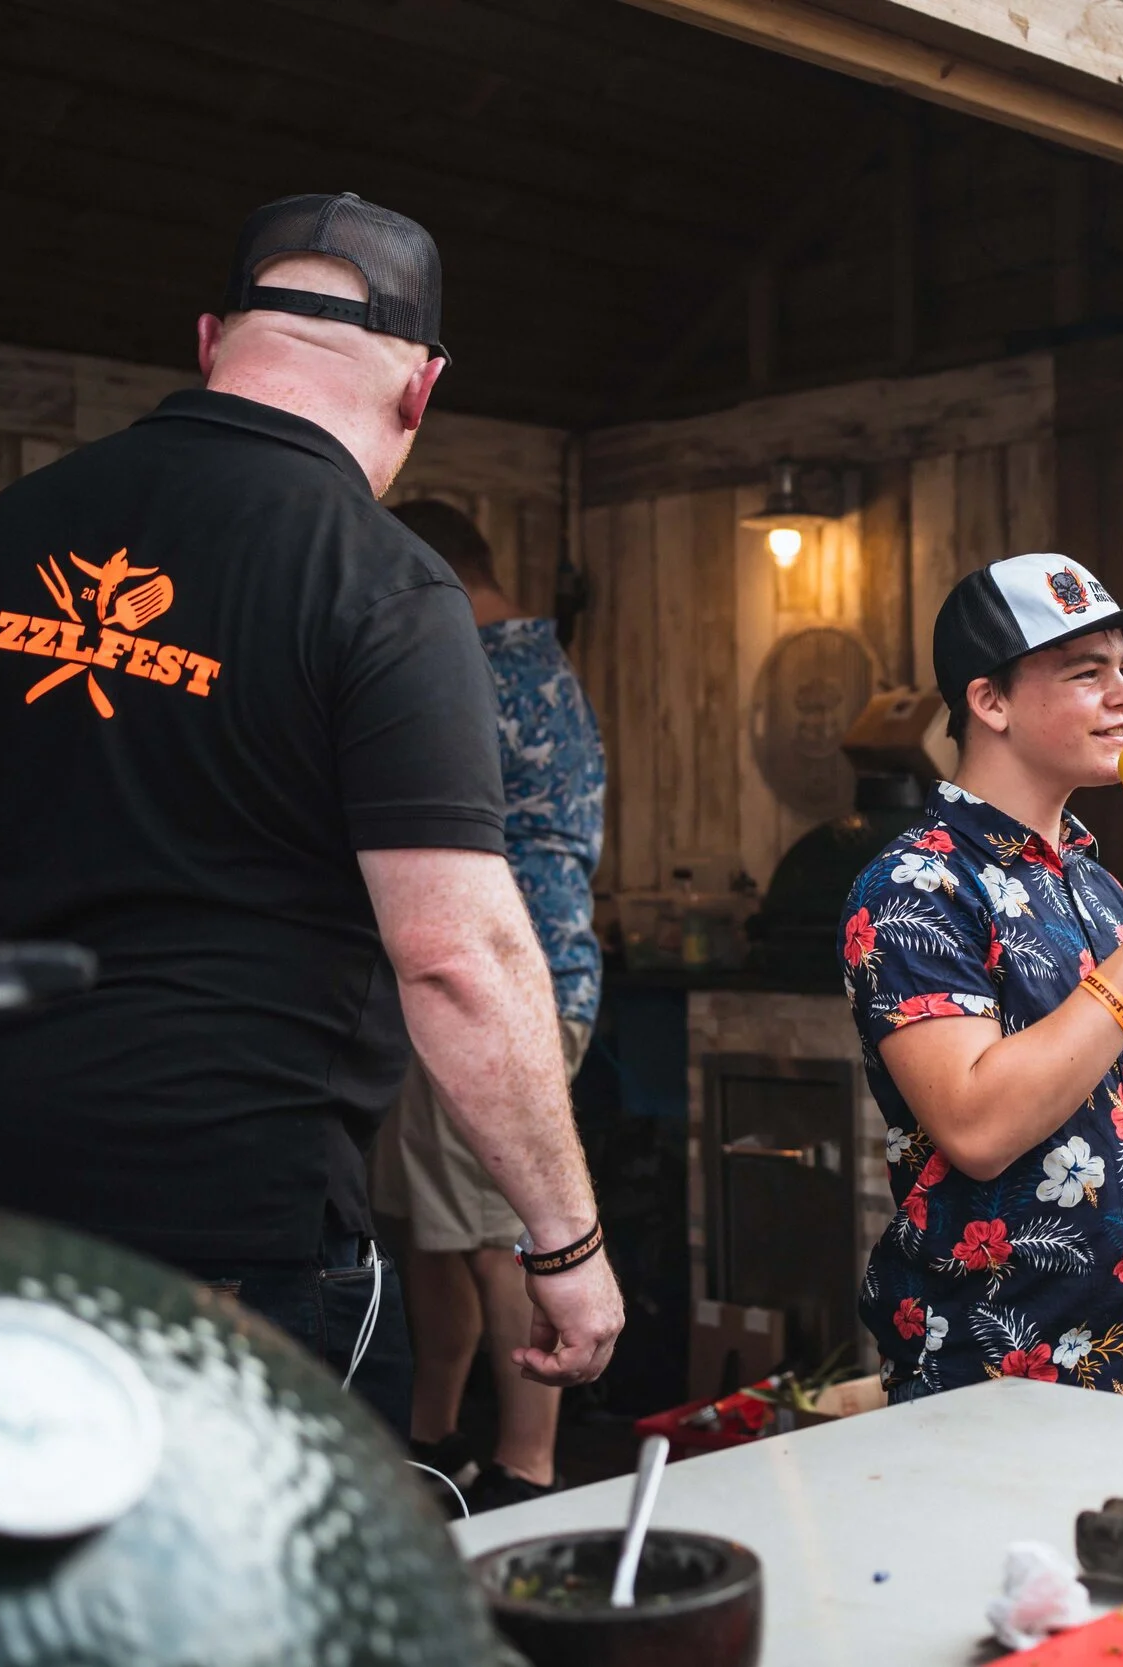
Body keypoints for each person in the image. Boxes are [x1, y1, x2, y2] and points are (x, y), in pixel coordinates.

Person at [0, 193, 622, 1432]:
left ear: (211, 339)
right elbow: (454, 951)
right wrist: (564, 1240)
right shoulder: (384, 585)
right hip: (232, 1232)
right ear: (421, 388)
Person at [841, 553, 1123, 1403]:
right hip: (1001, 1380)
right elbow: (978, 1125)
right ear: (989, 701)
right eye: (1085, 671)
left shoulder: (1094, 883)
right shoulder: (915, 885)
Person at [372, 497, 604, 1509]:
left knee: (496, 1228)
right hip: (534, 970)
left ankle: (524, 1465)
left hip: (498, 978)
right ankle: (435, 1433)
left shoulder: (476, 669)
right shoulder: (541, 663)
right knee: (441, 1221)